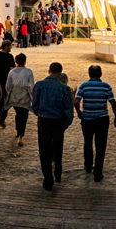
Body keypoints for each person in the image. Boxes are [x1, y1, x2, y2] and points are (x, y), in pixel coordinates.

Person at [32, 61, 74, 190]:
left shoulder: (39, 85)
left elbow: (34, 105)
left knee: (44, 151)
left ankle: (48, 179)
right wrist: (65, 124)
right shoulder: (65, 89)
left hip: (44, 120)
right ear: (60, 73)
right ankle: (58, 173)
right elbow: (69, 110)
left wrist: (40, 113)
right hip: (58, 121)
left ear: (49, 71)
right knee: (58, 148)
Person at [75, 64, 116, 181]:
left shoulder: (84, 86)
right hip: (102, 119)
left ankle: (88, 166)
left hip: (87, 119)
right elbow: (112, 102)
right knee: (101, 146)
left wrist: (79, 112)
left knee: (87, 142)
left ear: (89, 74)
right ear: (101, 74)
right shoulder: (106, 86)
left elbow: (76, 101)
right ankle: (98, 173)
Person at [3, 52, 35, 146]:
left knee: (18, 113)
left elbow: (7, 86)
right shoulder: (29, 71)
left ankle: (17, 130)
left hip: (14, 96)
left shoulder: (12, 72)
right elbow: (32, 86)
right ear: (25, 61)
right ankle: (21, 135)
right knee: (24, 116)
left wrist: (11, 93)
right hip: (24, 96)